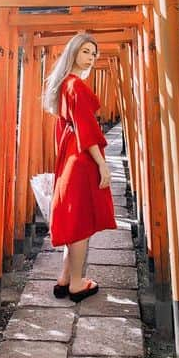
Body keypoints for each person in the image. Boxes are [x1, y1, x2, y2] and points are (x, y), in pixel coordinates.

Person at [43, 32, 117, 303]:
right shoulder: (76, 86)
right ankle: (76, 283)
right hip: (81, 159)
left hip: (69, 157)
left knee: (74, 220)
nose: (91, 58)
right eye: (86, 51)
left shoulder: (63, 84)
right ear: (73, 52)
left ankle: (64, 278)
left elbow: (67, 129)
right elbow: (87, 130)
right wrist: (102, 165)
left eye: (93, 53)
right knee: (82, 222)